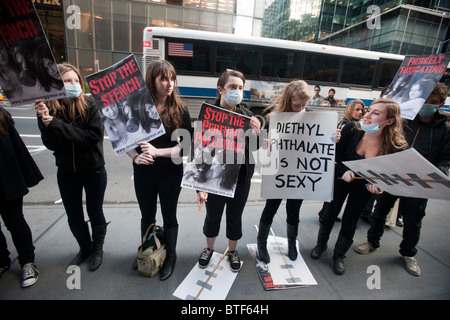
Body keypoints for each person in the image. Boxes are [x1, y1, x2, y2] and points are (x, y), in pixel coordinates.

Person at [355, 83, 450, 276]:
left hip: (420, 182)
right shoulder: (405, 121)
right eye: (424, 101)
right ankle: (372, 241)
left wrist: (439, 172)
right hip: (393, 175)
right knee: (380, 212)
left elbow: (446, 158)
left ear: (440, 105)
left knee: (413, 220)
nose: (427, 105)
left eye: (433, 102)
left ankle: (408, 253)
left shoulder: (444, 130)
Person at [310, 98, 408, 275]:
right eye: (369, 110)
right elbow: (336, 154)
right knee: (329, 213)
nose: (367, 115)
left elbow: (390, 175)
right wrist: (344, 170)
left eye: (376, 113)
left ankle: (339, 255)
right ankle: (320, 245)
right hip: (341, 180)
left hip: (363, 189)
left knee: (351, 220)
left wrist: (378, 186)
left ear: (390, 121)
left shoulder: (394, 146)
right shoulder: (351, 129)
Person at [35, 62, 108, 272]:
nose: (73, 84)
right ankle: (84, 248)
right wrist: (44, 121)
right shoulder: (49, 109)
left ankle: (97, 249)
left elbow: (93, 137)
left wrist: (57, 125)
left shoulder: (90, 105)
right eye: (67, 80)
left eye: (76, 80)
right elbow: (51, 144)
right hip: (67, 171)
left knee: (95, 212)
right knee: (74, 215)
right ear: (57, 83)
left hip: (93, 169)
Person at [127, 60, 191, 281]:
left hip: (170, 173)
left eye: (172, 78)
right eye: (163, 78)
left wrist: (157, 152)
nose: (169, 83)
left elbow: (186, 148)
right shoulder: (136, 107)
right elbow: (123, 140)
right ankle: (148, 248)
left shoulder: (180, 110)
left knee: (169, 215)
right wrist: (136, 157)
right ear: (151, 81)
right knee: (147, 215)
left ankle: (170, 256)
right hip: (144, 173)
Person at [196, 69, 261, 272]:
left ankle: (232, 251)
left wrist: (256, 134)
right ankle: (209, 249)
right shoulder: (208, 113)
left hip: (240, 178)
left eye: (240, 88)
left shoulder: (248, 116)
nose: (237, 91)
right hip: (215, 177)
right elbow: (199, 148)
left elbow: (255, 148)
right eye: (233, 87)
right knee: (213, 216)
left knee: (235, 216)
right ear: (221, 90)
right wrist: (199, 184)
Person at [257, 80, 322, 263]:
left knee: (294, 210)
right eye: (297, 105)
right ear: (288, 101)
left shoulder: (312, 118)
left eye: (305, 105)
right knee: (271, 207)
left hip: (299, 171)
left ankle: (292, 243)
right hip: (278, 171)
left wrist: (333, 138)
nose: (301, 108)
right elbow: (265, 150)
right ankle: (261, 242)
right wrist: (265, 144)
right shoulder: (275, 118)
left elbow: (319, 143)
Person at [0, 107, 43, 287]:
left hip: (5, 178)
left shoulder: (2, 117)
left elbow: (13, 148)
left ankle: (27, 262)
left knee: (15, 222)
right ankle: (2, 260)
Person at [317, 99, 366, 221]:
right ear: (350, 110)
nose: (360, 112)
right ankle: (324, 215)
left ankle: (324, 214)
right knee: (333, 196)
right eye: (357, 109)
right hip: (339, 166)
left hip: (339, 166)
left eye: (362, 110)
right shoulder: (347, 125)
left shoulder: (352, 124)